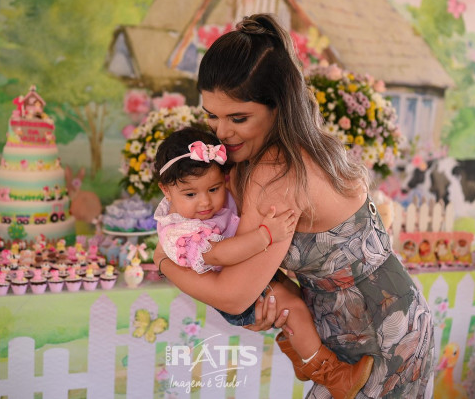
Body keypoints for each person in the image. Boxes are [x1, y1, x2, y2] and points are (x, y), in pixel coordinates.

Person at [153, 13, 434, 398]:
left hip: (381, 332)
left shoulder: (276, 171)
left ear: (279, 107)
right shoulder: (280, 148)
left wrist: (163, 260)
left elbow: (233, 295)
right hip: (348, 325)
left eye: (239, 118)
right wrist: (272, 296)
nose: (221, 132)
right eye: (212, 116)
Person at [154, 127, 374, 396]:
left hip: (244, 272)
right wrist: (265, 235)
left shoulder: (206, 200)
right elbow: (220, 254)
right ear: (165, 190)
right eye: (191, 194)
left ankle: (299, 355)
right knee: (293, 308)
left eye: (214, 188)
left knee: (295, 295)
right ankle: (333, 376)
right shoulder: (180, 233)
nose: (205, 202)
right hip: (234, 284)